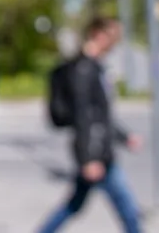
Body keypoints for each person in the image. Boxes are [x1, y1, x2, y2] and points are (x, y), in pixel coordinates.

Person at [39, 16, 144, 233]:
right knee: (127, 208)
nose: (116, 41)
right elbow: (83, 116)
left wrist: (124, 136)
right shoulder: (83, 70)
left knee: (74, 206)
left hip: (98, 150)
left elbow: (101, 116)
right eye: (113, 36)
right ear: (98, 34)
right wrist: (89, 159)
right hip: (96, 153)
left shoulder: (94, 67)